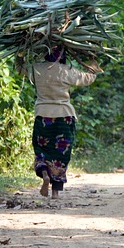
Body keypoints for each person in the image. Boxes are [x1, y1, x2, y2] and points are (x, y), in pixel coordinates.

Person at [31, 48, 102, 199]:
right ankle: (55, 192)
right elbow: (89, 78)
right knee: (60, 155)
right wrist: (92, 60)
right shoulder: (66, 71)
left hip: (43, 117)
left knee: (42, 149)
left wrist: (22, 54)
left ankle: (44, 173)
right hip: (64, 117)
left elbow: (19, 68)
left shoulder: (36, 68)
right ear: (63, 56)